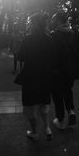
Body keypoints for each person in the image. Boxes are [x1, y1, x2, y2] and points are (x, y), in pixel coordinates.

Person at [15, 12, 54, 140]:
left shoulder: (27, 39)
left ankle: (34, 131)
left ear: (34, 24)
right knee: (44, 103)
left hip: (30, 76)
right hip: (45, 76)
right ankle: (47, 128)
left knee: (30, 105)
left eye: (31, 23)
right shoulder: (50, 39)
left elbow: (20, 57)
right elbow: (54, 57)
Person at [50, 10, 79, 129]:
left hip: (57, 70)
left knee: (57, 94)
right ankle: (70, 111)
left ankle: (60, 120)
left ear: (58, 20)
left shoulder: (53, 35)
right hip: (71, 69)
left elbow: (52, 54)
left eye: (54, 19)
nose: (52, 21)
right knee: (68, 90)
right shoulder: (74, 33)